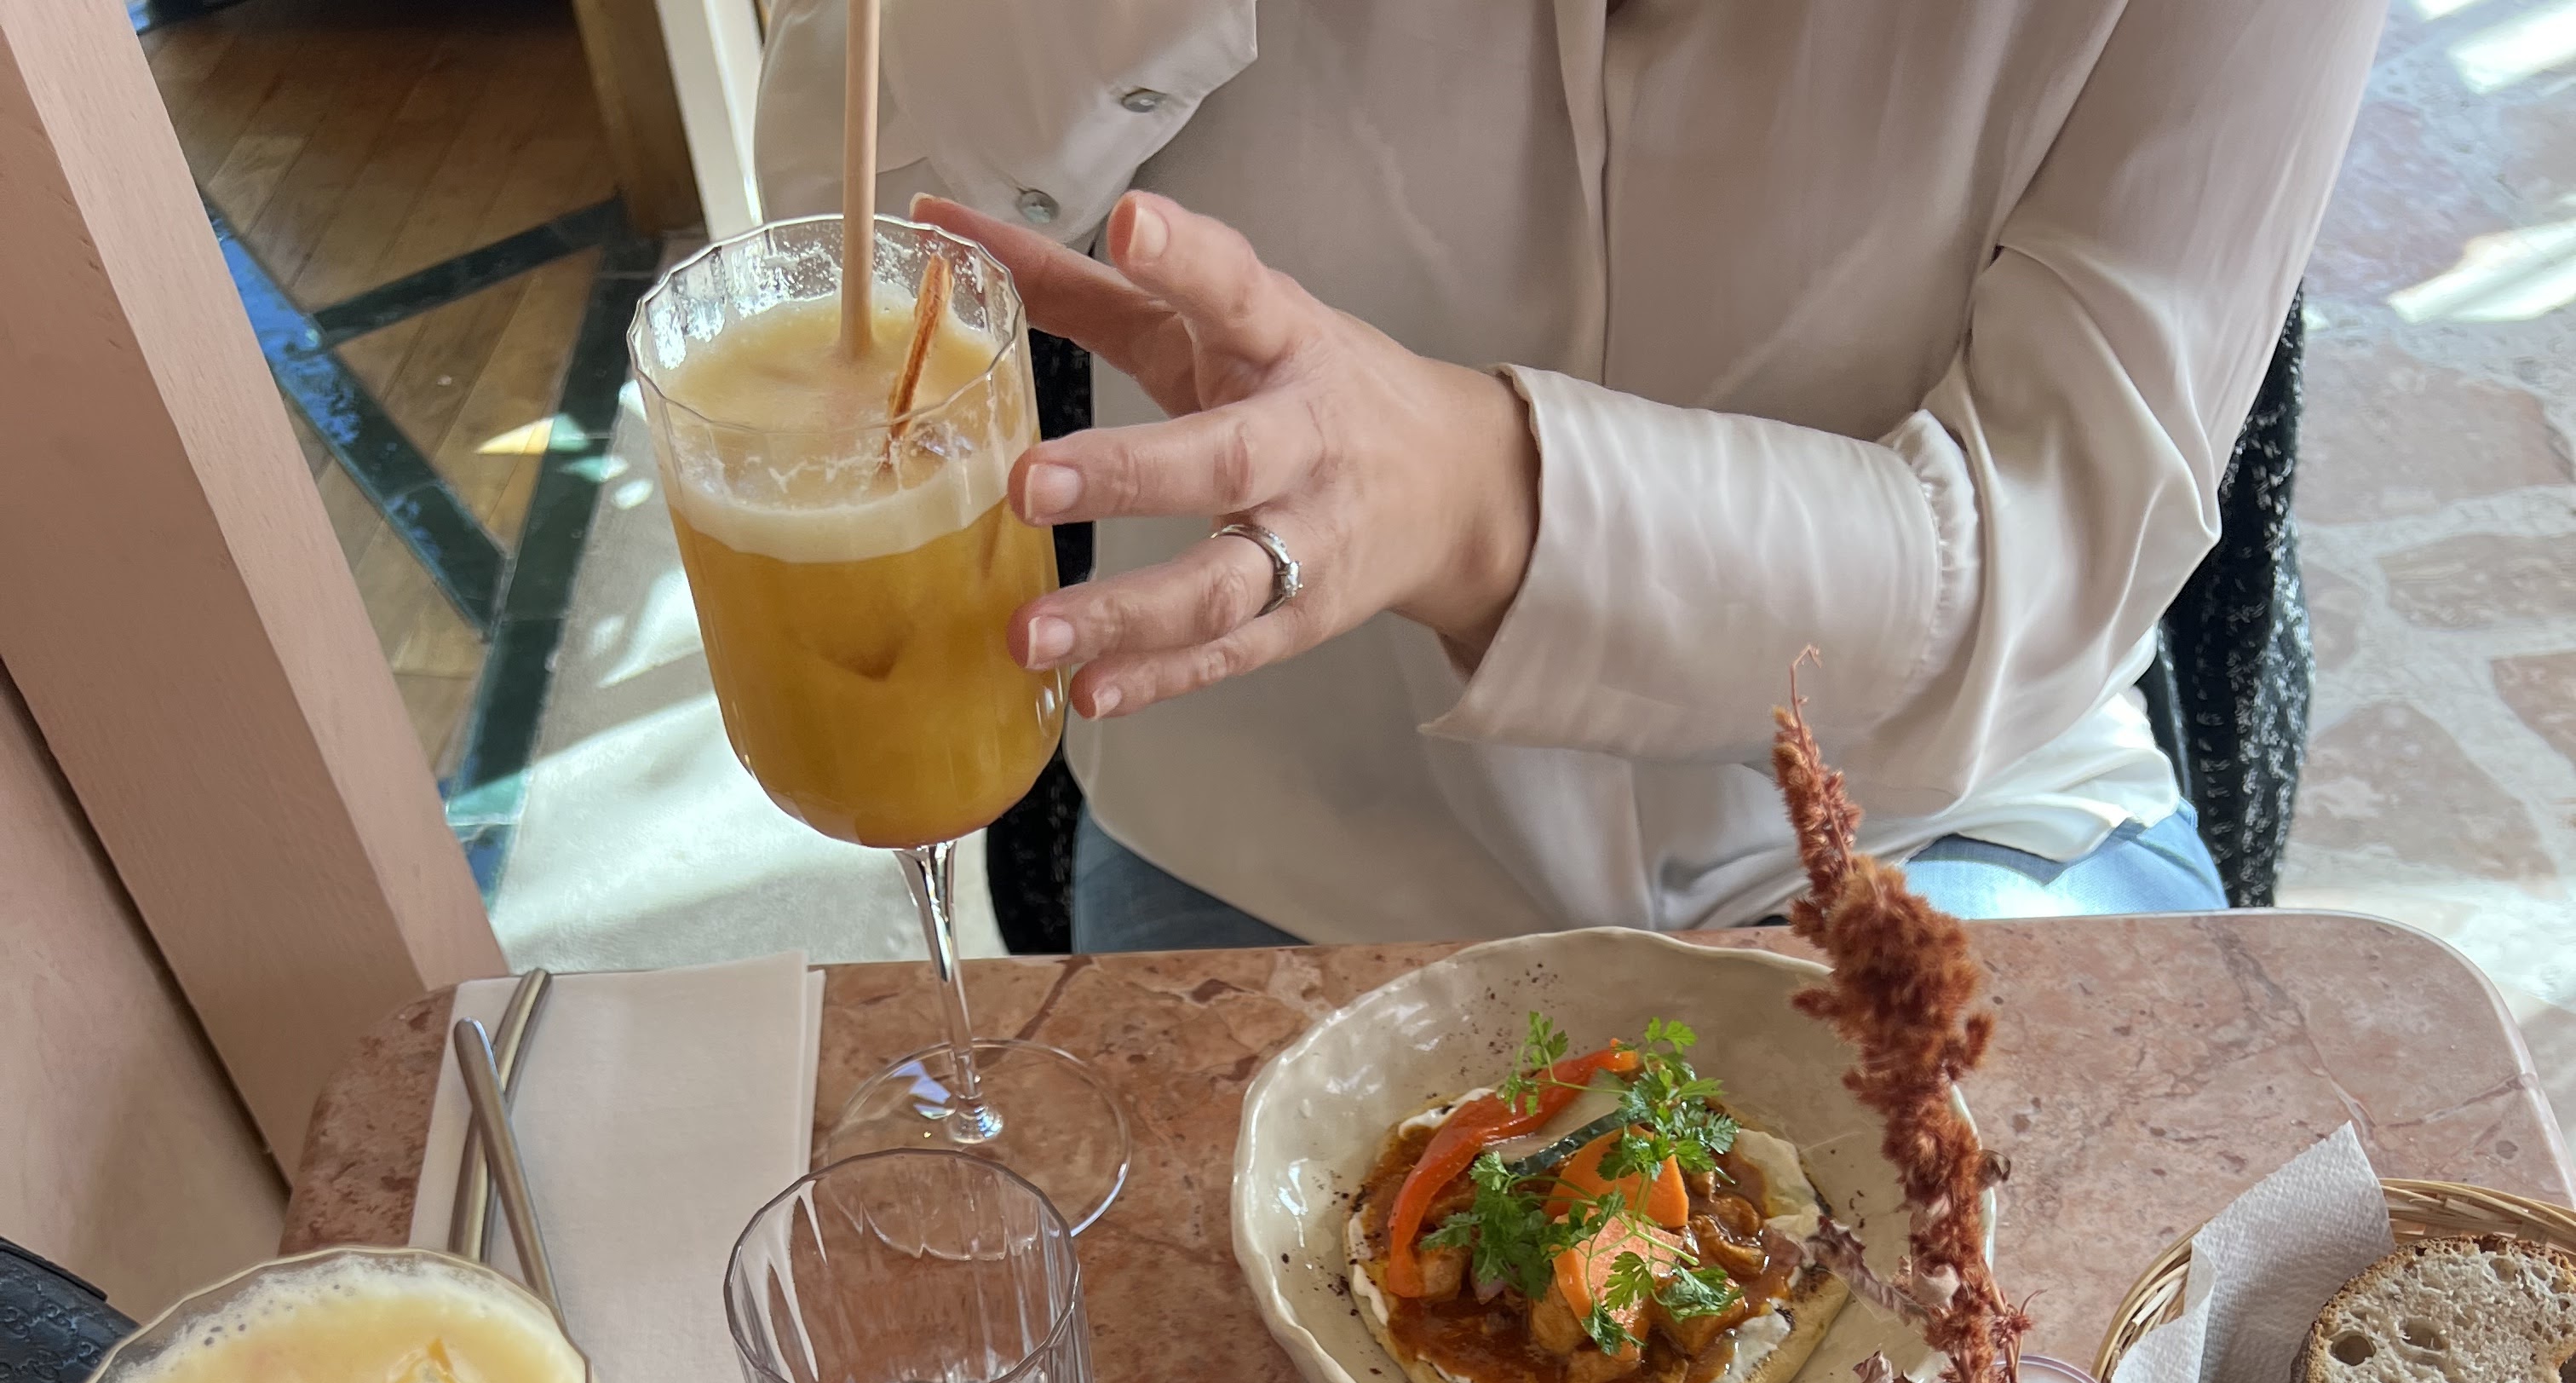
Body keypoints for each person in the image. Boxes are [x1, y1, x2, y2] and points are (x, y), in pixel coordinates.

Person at [754, 0, 2378, 952]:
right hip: (1269, 846)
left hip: (1936, 822)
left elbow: (2046, 560)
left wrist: (1477, 499)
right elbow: (851, 243)